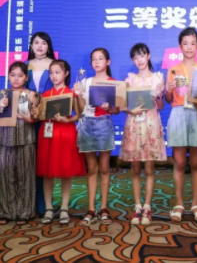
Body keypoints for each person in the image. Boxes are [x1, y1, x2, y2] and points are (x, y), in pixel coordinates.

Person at [165, 28, 197, 222]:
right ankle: (179, 204)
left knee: (196, 163)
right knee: (180, 163)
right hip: (178, 114)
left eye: (193, 43)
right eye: (185, 43)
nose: (189, 47)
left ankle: (195, 204)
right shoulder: (173, 70)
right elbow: (168, 99)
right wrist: (168, 90)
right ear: (180, 46)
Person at [121, 43, 167, 226]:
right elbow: (123, 105)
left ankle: (147, 207)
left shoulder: (157, 79)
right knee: (135, 169)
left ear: (148, 55)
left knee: (149, 169)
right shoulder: (129, 80)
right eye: (135, 57)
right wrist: (130, 110)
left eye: (142, 55)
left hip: (151, 124)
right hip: (133, 125)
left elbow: (160, 106)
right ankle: (137, 206)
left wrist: (158, 95)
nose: (139, 60)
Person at [37, 59, 86, 225]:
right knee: (47, 173)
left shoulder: (71, 93)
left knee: (66, 172)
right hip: (48, 133)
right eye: (51, 73)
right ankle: (49, 208)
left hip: (65, 132)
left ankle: (64, 207)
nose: (54, 76)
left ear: (66, 74)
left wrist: (67, 120)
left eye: (57, 72)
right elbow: (40, 115)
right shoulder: (45, 95)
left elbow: (78, 115)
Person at [78, 48, 120, 226]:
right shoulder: (85, 82)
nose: (96, 62)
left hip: (104, 124)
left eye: (100, 58)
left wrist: (109, 107)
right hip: (87, 124)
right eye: (94, 59)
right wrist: (78, 95)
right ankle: (90, 209)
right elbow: (80, 109)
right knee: (91, 169)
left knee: (104, 168)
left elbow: (116, 110)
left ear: (108, 62)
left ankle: (103, 208)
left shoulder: (113, 83)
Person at [0, 62, 40, 225]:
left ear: (26, 77)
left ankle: (25, 212)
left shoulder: (32, 95)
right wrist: (0, 106)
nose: (16, 79)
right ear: (8, 76)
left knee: (25, 177)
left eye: (20, 75)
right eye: (13, 75)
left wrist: (30, 117)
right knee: (6, 177)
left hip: (26, 139)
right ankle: (7, 212)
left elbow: (37, 117)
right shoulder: (1, 94)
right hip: (5, 140)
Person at [26, 31, 56, 216]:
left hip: (48, 118)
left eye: (43, 43)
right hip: (27, 118)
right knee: (28, 160)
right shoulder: (23, 65)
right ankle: (28, 203)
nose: (39, 46)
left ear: (48, 46)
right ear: (31, 46)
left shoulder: (54, 65)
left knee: (45, 161)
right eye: (36, 42)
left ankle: (45, 204)